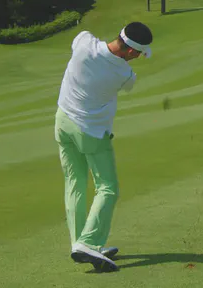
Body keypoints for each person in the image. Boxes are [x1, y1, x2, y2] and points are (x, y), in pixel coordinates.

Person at [54, 22, 153, 272]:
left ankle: (81, 242)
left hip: (63, 122)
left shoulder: (85, 42)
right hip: (91, 132)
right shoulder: (124, 75)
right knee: (108, 188)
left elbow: (80, 41)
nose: (138, 58)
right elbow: (128, 82)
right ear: (131, 52)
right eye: (139, 54)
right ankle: (88, 242)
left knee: (74, 182)